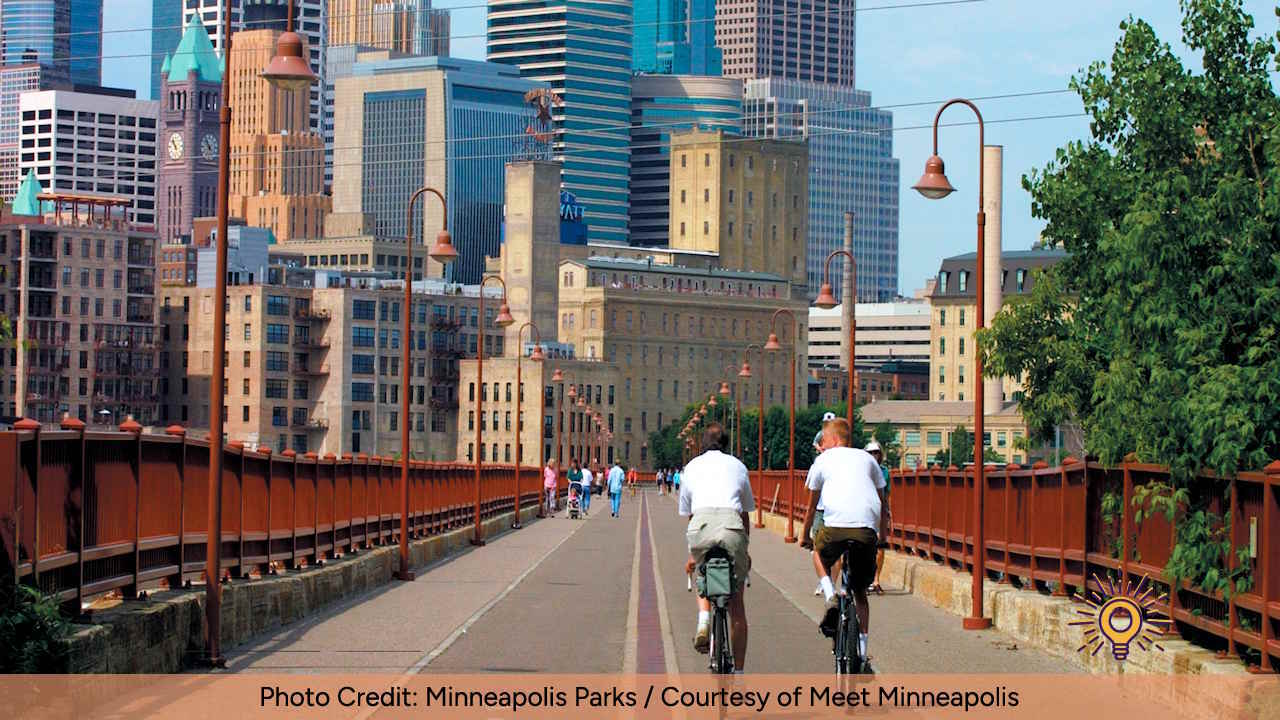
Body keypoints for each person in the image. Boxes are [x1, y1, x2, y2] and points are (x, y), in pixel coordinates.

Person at [800, 417, 888, 667]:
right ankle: (861, 652)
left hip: (835, 527)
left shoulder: (823, 460)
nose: (822, 445)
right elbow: (882, 502)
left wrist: (804, 535)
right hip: (866, 530)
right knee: (860, 593)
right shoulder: (868, 459)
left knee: (818, 553)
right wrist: (883, 538)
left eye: (824, 440)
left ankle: (830, 596)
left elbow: (811, 505)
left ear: (835, 439)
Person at [679, 423, 754, 673]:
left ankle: (703, 620)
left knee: (702, 570)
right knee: (737, 604)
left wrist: (693, 554)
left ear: (702, 444)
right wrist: (745, 549)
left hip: (701, 526)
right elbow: (744, 515)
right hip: (732, 527)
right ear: (726, 443)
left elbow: (689, 515)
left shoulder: (691, 467)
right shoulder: (738, 466)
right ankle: (740, 674)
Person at [810, 411, 837, 597]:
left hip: (830, 509)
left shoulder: (837, 438)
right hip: (823, 507)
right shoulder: (820, 437)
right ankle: (827, 583)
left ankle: (830, 585)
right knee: (820, 548)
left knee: (827, 550)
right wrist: (820, 450)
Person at [866, 440, 892, 594]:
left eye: (876, 452)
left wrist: (888, 511)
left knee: (880, 546)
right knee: (865, 546)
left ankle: (876, 580)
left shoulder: (884, 471)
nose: (873, 455)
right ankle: (866, 578)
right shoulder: (862, 470)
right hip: (866, 513)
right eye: (870, 452)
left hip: (880, 513)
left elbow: (887, 493)